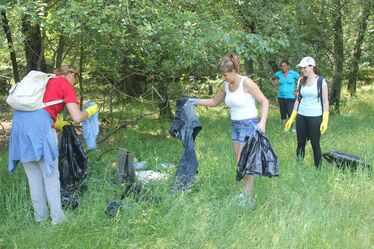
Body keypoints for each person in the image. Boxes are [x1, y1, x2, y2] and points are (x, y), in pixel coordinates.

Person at [8, 65, 98, 225]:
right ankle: (58, 219)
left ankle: (40, 218)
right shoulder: (65, 84)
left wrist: (57, 123)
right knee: (50, 176)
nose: (74, 83)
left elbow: (40, 108)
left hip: (20, 127)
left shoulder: (45, 81)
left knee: (33, 177)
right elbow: (77, 117)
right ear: (71, 74)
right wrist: (90, 111)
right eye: (75, 79)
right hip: (40, 128)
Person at [190, 53, 269, 207]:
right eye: (222, 75)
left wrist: (263, 123)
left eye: (225, 74)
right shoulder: (225, 86)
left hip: (249, 125)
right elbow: (214, 101)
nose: (224, 78)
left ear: (233, 71)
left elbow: (264, 101)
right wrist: (194, 101)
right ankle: (247, 193)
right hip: (236, 126)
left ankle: (248, 196)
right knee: (239, 161)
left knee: (244, 161)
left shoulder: (247, 83)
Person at [285, 57, 329, 168]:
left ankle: (318, 169)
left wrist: (325, 119)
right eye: (301, 68)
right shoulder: (300, 80)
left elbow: (325, 101)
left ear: (312, 67)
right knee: (300, 143)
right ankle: (299, 166)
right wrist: (292, 118)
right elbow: (298, 99)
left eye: (304, 67)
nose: (302, 70)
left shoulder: (321, 81)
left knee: (315, 144)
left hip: (315, 117)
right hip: (301, 116)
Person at [272, 60, 300, 130]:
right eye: (282, 66)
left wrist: (297, 91)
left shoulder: (293, 74)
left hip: (291, 97)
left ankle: (294, 128)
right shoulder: (279, 74)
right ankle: (284, 129)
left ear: (288, 66)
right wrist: (275, 86)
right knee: (283, 113)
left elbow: (302, 80)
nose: (283, 68)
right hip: (280, 96)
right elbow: (272, 78)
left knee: (291, 112)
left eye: (284, 66)